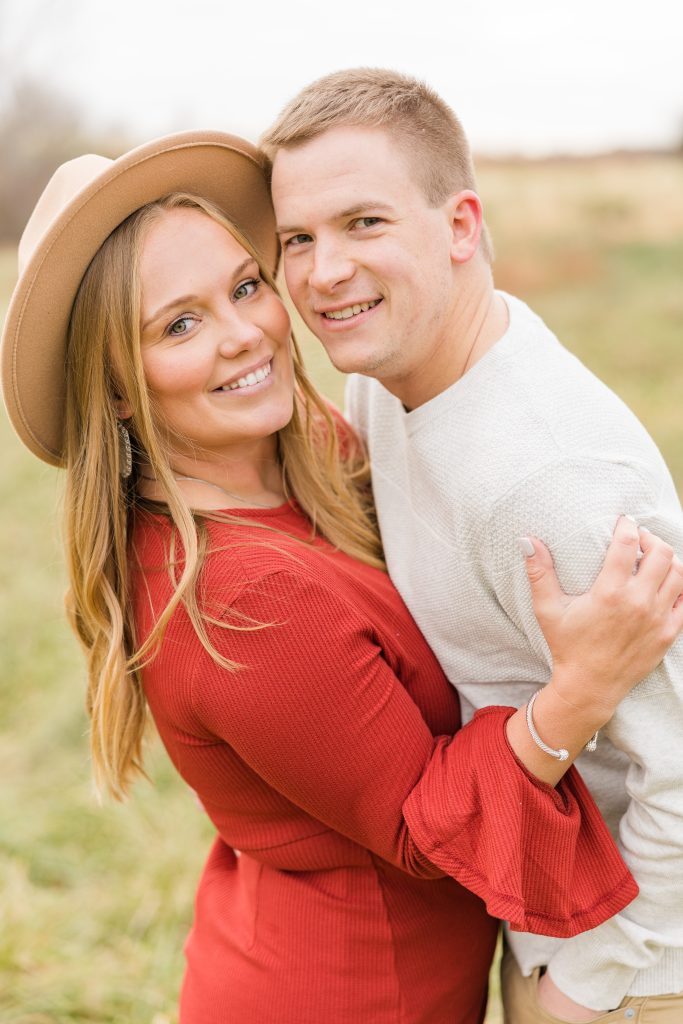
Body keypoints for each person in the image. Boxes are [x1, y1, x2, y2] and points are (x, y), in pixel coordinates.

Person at [1, 132, 681, 1024]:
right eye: (179, 323)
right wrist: (582, 687)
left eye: (245, 287)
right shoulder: (242, 597)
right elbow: (419, 828)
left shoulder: (305, 457)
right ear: (119, 390)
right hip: (353, 994)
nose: (246, 333)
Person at [263, 68, 683, 1022]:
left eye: (363, 223)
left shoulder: (544, 487)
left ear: (459, 227)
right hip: (543, 926)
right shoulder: (390, 375)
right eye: (298, 239)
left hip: (636, 965)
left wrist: (595, 986)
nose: (322, 271)